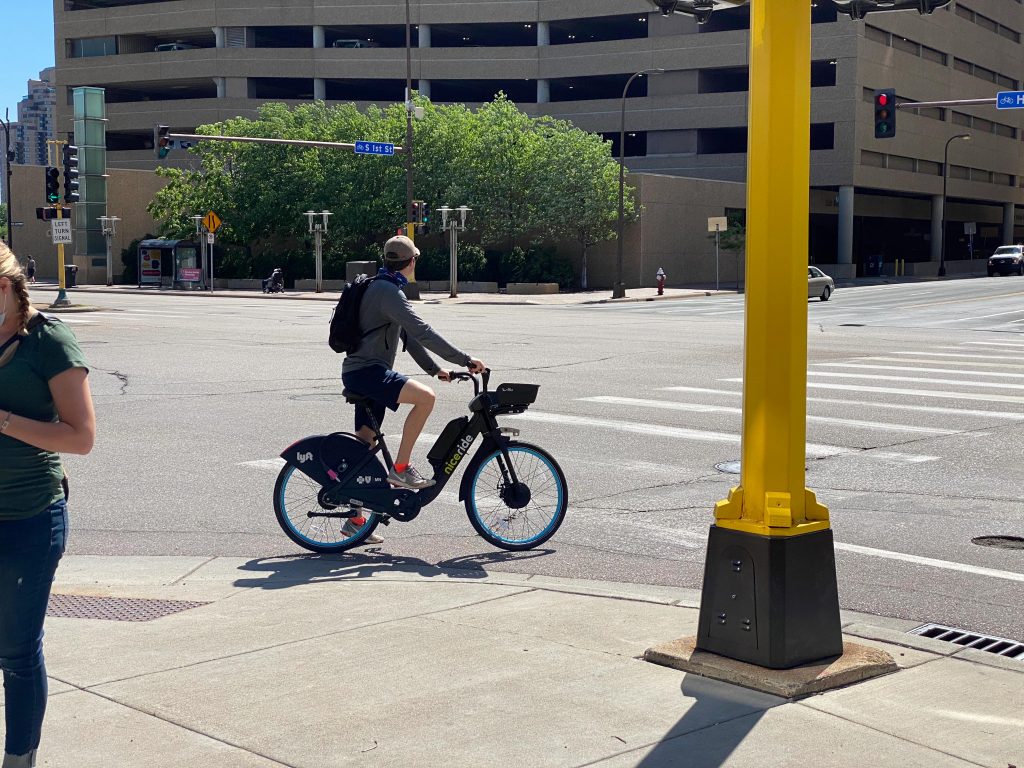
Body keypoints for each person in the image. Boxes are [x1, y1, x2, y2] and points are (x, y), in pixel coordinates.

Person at [0, 243, 96, 768]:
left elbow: (81, 437)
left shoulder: (48, 341)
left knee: (15, 651)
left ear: (9, 288)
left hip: (28, 518)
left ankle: (19, 759)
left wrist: (3, 420)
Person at [342, 235, 484, 496]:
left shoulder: (378, 286)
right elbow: (423, 332)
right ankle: (401, 468)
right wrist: (465, 359)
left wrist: (435, 370)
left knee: (363, 449)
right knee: (426, 398)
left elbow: (407, 336)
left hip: (359, 373)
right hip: (368, 373)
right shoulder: (389, 292)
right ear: (411, 262)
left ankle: (355, 514)